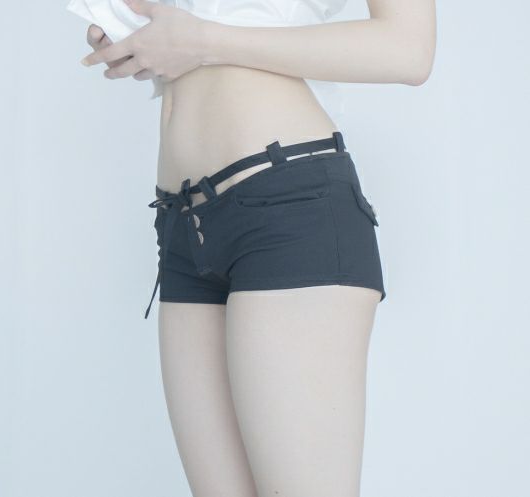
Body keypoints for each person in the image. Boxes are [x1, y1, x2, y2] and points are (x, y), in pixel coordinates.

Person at [81, 0, 436, 495]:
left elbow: (409, 49)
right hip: (183, 221)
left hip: (286, 205)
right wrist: (138, 34)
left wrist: (202, 41)